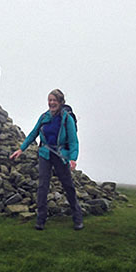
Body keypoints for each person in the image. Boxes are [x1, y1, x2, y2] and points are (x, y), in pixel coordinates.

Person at [10, 89, 84, 231]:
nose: (51, 103)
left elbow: (74, 141)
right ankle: (41, 219)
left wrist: (73, 158)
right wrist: (21, 149)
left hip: (60, 155)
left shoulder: (66, 118)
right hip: (44, 153)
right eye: (49, 100)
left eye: (54, 100)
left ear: (61, 102)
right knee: (43, 186)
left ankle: (77, 218)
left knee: (68, 185)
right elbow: (33, 133)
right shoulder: (44, 117)